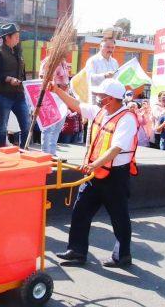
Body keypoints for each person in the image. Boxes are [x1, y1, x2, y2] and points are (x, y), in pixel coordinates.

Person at [49, 79, 139, 268]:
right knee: (80, 210)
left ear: (111, 98)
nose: (98, 98)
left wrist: (94, 164)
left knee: (119, 217)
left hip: (115, 176)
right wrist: (57, 90)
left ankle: (122, 256)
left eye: (101, 96)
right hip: (95, 174)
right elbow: (77, 105)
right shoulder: (101, 111)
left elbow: (116, 148)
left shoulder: (127, 119)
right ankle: (77, 251)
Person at [0, 23, 29, 149]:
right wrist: (9, 79)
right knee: (2, 127)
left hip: (19, 94)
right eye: (16, 36)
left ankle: (24, 152)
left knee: (26, 126)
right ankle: (1, 154)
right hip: (3, 94)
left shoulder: (18, 51)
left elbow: (22, 74)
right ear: (7, 37)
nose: (18, 39)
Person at [38, 50, 71, 156]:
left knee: (58, 126)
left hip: (63, 97)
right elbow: (43, 79)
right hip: (51, 96)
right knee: (49, 127)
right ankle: (45, 153)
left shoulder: (64, 63)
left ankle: (52, 153)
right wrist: (59, 86)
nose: (67, 52)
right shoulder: (49, 61)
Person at [84, 29, 120, 103]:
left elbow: (117, 79)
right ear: (100, 47)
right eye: (107, 47)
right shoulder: (93, 61)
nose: (110, 50)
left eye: (112, 47)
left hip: (111, 99)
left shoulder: (114, 62)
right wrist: (104, 76)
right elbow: (89, 78)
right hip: (96, 99)